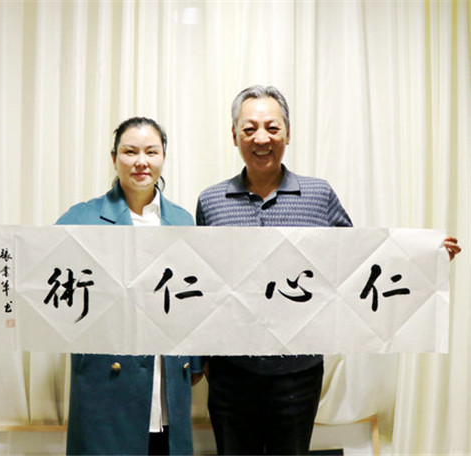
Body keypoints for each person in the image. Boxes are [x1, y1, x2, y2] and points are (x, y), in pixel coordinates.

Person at [195, 85, 461, 455]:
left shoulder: (318, 196)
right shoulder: (211, 202)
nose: (261, 138)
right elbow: (203, 282)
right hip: (230, 376)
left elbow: (359, 261)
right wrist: (206, 360)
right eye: (249, 129)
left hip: (298, 374)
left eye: (272, 128)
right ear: (234, 135)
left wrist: (421, 260)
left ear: (288, 133)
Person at [0, 117, 203, 455]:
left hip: (168, 378)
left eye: (151, 151)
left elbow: (196, 297)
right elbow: (33, 267)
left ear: (164, 157)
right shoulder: (83, 218)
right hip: (106, 382)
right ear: (114, 157)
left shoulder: (182, 219)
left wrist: (196, 362)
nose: (141, 161)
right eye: (130, 151)